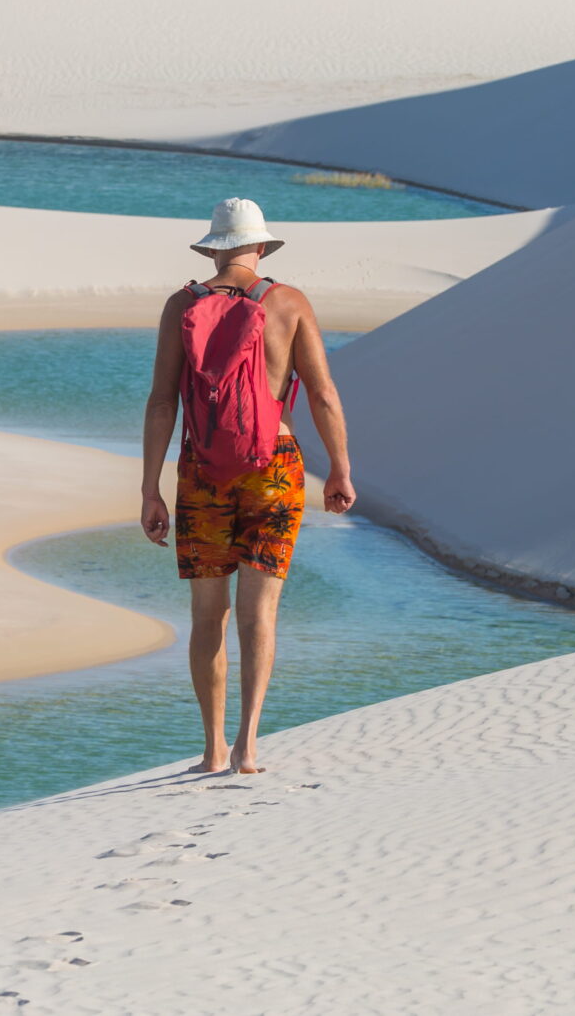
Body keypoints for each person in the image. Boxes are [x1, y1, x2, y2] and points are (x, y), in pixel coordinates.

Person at [139, 197, 355, 775]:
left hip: (201, 469)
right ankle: (248, 747)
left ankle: (209, 750)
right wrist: (339, 469)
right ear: (260, 247)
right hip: (275, 467)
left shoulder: (181, 305)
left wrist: (149, 489)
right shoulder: (288, 303)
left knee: (209, 615)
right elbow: (323, 393)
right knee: (260, 615)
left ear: (213, 247)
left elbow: (162, 402)